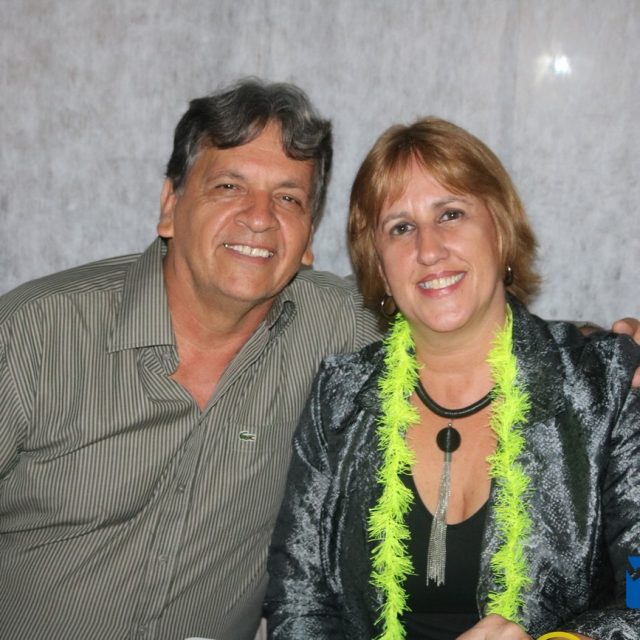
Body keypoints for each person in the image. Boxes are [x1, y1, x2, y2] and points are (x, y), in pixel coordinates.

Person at [0, 79, 381, 640]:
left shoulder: (336, 328)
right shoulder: (35, 333)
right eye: (229, 186)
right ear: (170, 206)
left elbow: (464, 319)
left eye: (288, 198)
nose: (259, 217)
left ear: (307, 240)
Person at [265, 117, 640, 639]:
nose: (429, 249)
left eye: (451, 214)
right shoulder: (339, 397)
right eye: (400, 227)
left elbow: (639, 588)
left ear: (500, 230)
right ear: (379, 265)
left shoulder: (604, 385)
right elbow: (299, 600)